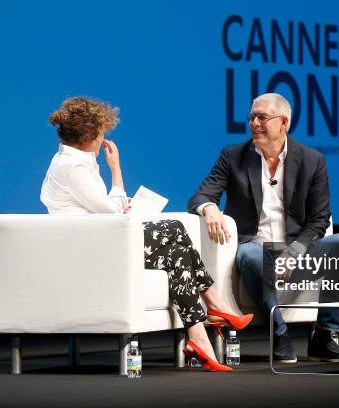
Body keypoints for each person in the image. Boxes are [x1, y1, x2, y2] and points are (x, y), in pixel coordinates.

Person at [40, 96, 252, 372]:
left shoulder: (74, 161)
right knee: (173, 230)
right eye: (102, 130)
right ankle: (214, 304)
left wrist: (117, 202)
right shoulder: (74, 166)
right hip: (93, 247)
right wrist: (116, 170)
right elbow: (112, 211)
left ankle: (198, 334)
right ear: (92, 135)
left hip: (100, 239)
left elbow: (108, 208)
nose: (104, 135)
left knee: (177, 252)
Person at [188, 93, 339, 363]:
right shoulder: (233, 156)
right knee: (250, 254)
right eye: (252, 117)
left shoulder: (312, 160)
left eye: (262, 117)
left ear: (284, 123)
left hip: (296, 251)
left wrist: (295, 251)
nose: (254, 123)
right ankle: (279, 333)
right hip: (254, 250)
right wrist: (209, 208)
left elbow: (319, 218)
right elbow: (200, 196)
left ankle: (324, 336)